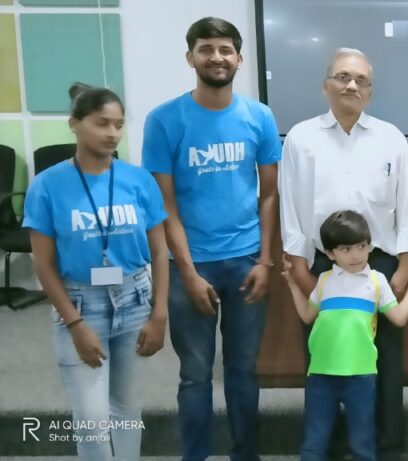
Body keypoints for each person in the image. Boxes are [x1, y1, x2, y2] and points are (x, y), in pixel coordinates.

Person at [141, 17, 281, 461]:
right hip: (191, 266)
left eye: (225, 49)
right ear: (190, 58)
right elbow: (165, 207)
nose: (216, 57)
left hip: (245, 263)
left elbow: (270, 193)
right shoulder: (164, 120)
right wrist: (186, 272)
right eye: (206, 49)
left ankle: (246, 454)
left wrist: (265, 262)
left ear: (239, 58)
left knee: (242, 372)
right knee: (196, 376)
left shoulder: (259, 117)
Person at [279, 48, 408, 456]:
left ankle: (385, 446)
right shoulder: (301, 139)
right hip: (322, 265)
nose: (351, 85)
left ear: (370, 91)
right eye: (342, 77)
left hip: (380, 263)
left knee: (384, 365)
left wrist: (405, 264)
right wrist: (301, 269)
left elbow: (406, 203)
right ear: (326, 85)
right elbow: (290, 207)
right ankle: (332, 447)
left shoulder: (391, 137)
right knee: (327, 362)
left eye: (360, 80)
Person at [24, 83, 168, 460]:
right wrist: (74, 323)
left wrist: (160, 312)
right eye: (101, 123)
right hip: (79, 303)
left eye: (119, 124)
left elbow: (158, 249)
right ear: (75, 124)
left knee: (126, 410)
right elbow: (43, 262)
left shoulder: (139, 180)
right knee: (91, 421)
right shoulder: (47, 185)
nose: (112, 133)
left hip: (136, 298)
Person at [281, 210, 408, 461]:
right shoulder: (324, 280)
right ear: (329, 254)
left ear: (370, 246)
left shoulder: (377, 280)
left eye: (362, 246)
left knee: (362, 441)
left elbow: (399, 318)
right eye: (346, 249)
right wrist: (293, 285)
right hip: (321, 374)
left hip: (361, 376)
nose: (356, 255)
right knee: (314, 441)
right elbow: (307, 315)